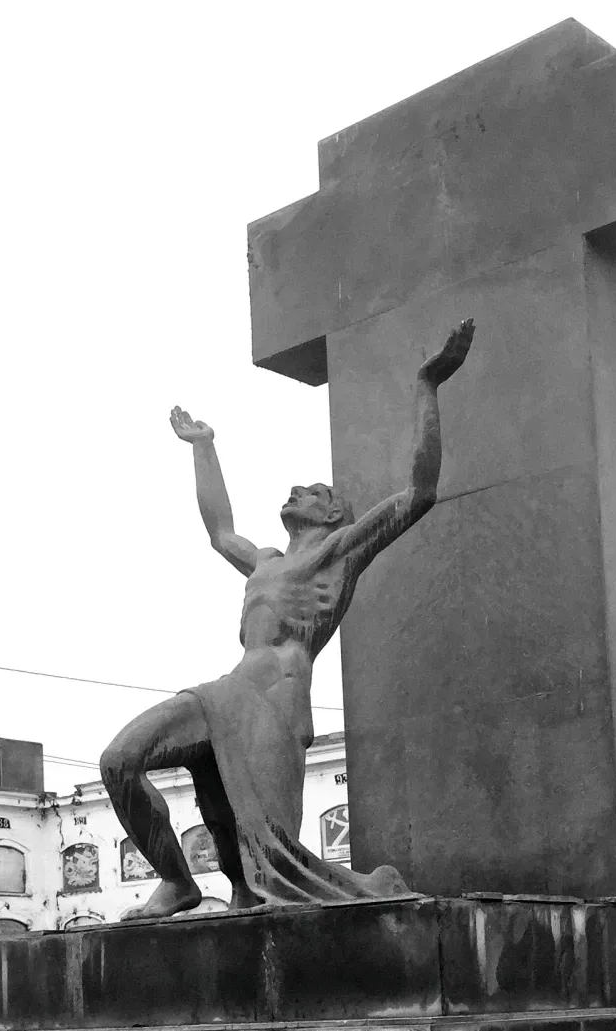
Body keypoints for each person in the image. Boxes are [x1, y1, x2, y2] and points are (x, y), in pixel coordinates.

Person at [100, 320, 475, 916]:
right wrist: (203, 446)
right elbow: (220, 530)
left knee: (264, 869)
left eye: (313, 490)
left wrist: (428, 387)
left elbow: (419, 493)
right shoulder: (265, 561)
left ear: (332, 516)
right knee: (120, 761)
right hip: (227, 692)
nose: (298, 489)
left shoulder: (341, 552)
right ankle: (177, 881)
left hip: (274, 706)